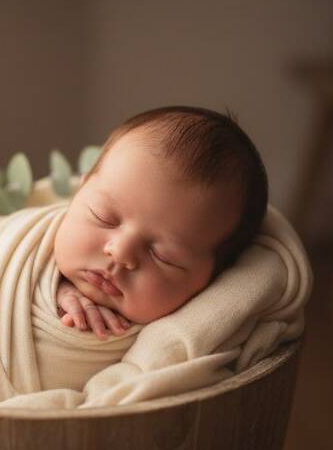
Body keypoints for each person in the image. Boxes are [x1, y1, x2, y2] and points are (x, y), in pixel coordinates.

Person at [54, 105, 268, 339]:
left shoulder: (178, 342)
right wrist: (54, 288)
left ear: (213, 280)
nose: (121, 252)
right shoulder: (28, 244)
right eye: (103, 217)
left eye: (164, 256)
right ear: (80, 189)